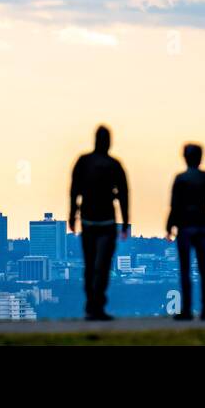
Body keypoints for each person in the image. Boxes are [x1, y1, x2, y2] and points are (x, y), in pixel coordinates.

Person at [69, 125, 130, 320]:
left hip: (88, 220)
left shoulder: (83, 162)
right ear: (109, 141)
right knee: (101, 267)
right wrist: (126, 221)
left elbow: (74, 190)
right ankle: (96, 305)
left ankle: (91, 305)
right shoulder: (114, 165)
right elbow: (123, 195)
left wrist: (72, 215)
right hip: (106, 222)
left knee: (90, 265)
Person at [166, 143, 205, 321]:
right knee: (203, 268)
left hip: (185, 226)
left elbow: (174, 204)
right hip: (202, 224)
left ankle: (187, 309)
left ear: (185, 157)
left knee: (185, 269)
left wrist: (169, 225)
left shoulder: (181, 179)